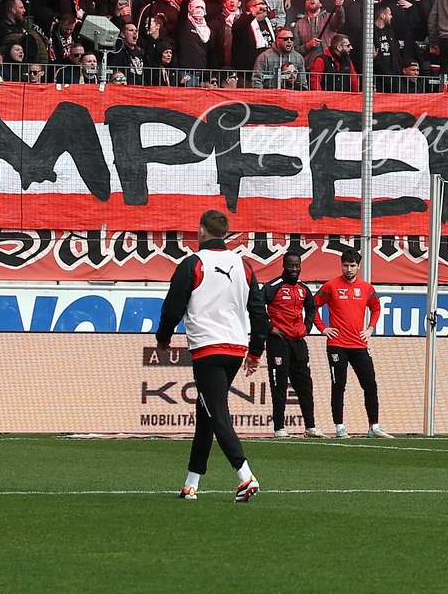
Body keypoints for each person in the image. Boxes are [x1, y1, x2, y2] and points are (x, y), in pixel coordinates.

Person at [154, 210, 268, 502]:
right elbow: (258, 311)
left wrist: (163, 337)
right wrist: (255, 351)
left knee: (216, 411)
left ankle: (245, 476)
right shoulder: (244, 265)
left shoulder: (193, 263)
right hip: (235, 347)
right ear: (225, 233)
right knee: (206, 412)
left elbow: (171, 308)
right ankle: (191, 483)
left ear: (201, 231)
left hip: (208, 348)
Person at [312, 248, 390, 438]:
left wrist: (370, 328)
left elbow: (376, 308)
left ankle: (374, 427)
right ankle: (339, 427)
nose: (349, 269)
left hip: (359, 344)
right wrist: (323, 328)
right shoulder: (330, 286)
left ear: (358, 266)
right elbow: (312, 307)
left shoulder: (366, 288)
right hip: (337, 344)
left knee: (370, 384)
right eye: (345, 265)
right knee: (339, 385)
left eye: (352, 266)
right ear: (341, 265)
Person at [262, 249, 321, 438]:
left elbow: (312, 308)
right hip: (279, 342)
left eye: (297, 266)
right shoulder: (273, 286)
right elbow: (254, 306)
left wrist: (307, 326)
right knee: (279, 385)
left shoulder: (303, 289)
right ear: (284, 266)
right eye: (291, 265)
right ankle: (279, 428)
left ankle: (310, 427)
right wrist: (269, 327)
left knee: (305, 384)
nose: (294, 269)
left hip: (299, 342)